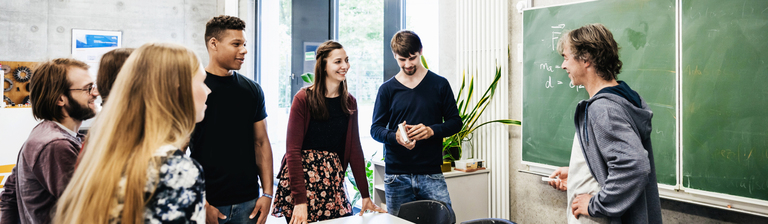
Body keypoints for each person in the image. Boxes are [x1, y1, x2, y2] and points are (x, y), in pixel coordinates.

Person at [52, 42, 210, 223]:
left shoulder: (105, 151)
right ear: (177, 91)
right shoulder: (175, 170)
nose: (208, 90)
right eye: (202, 82)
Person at [547, 23, 662, 223]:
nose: (563, 65)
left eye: (566, 58)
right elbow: (613, 157)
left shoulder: (603, 109)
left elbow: (635, 166)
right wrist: (578, 173)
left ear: (586, 59)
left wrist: (595, 204)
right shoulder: (624, 98)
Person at [271, 40, 387, 224]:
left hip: (331, 180)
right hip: (301, 180)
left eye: (346, 60)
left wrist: (365, 195)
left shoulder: (349, 102)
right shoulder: (303, 98)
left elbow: (355, 149)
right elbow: (292, 151)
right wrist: (300, 201)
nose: (345, 66)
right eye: (338, 61)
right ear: (323, 66)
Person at [190, 15, 273, 224]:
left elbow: (261, 142)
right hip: (208, 201)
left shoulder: (252, 90)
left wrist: (268, 193)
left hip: (249, 203)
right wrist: (201, 202)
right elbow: (178, 151)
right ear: (213, 44)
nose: (244, 50)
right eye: (236, 44)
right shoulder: (195, 89)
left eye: (244, 44)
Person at [370, 30, 463, 215]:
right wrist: (395, 136)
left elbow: (455, 122)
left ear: (421, 50)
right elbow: (375, 129)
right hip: (396, 176)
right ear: (395, 56)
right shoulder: (387, 89)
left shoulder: (439, 84)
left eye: (412, 58)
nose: (408, 64)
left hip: (431, 173)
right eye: (401, 59)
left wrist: (431, 131)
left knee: (445, 220)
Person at [0, 58, 98, 224]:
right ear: (60, 99)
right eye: (87, 89)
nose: (95, 93)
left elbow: (10, 193)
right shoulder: (56, 145)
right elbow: (89, 210)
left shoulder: (44, 132)